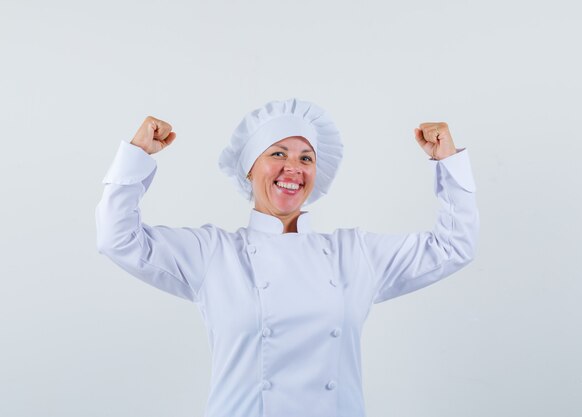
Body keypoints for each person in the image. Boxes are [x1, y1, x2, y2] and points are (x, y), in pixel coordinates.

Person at [95, 97, 479, 417]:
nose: (293, 167)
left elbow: (453, 246)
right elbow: (118, 238)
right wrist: (137, 155)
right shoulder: (214, 254)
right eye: (277, 153)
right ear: (249, 169)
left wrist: (448, 162)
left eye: (306, 158)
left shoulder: (354, 254)